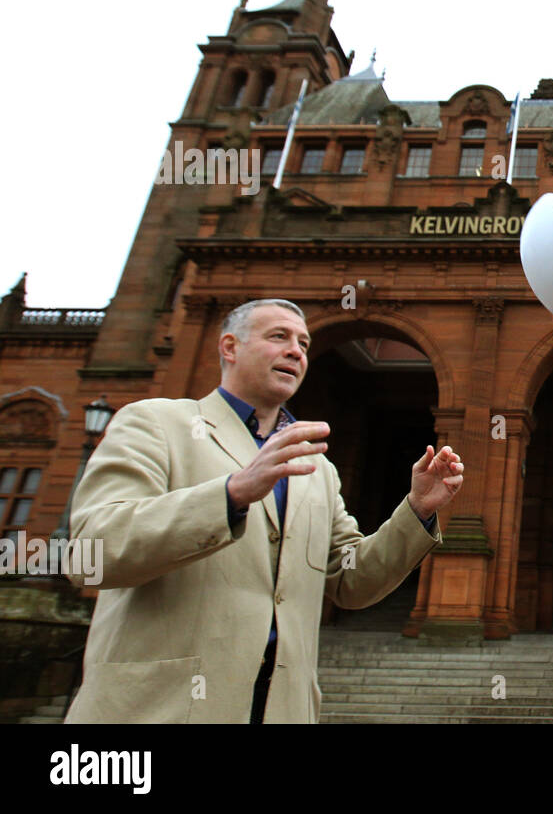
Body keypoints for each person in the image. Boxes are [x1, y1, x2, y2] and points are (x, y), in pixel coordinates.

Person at [63, 298, 463, 723]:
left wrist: (416, 509)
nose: (296, 350)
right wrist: (231, 495)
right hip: (161, 709)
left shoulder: (317, 470)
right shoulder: (156, 424)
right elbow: (89, 554)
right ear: (230, 347)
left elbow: (351, 580)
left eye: (304, 344)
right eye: (279, 337)